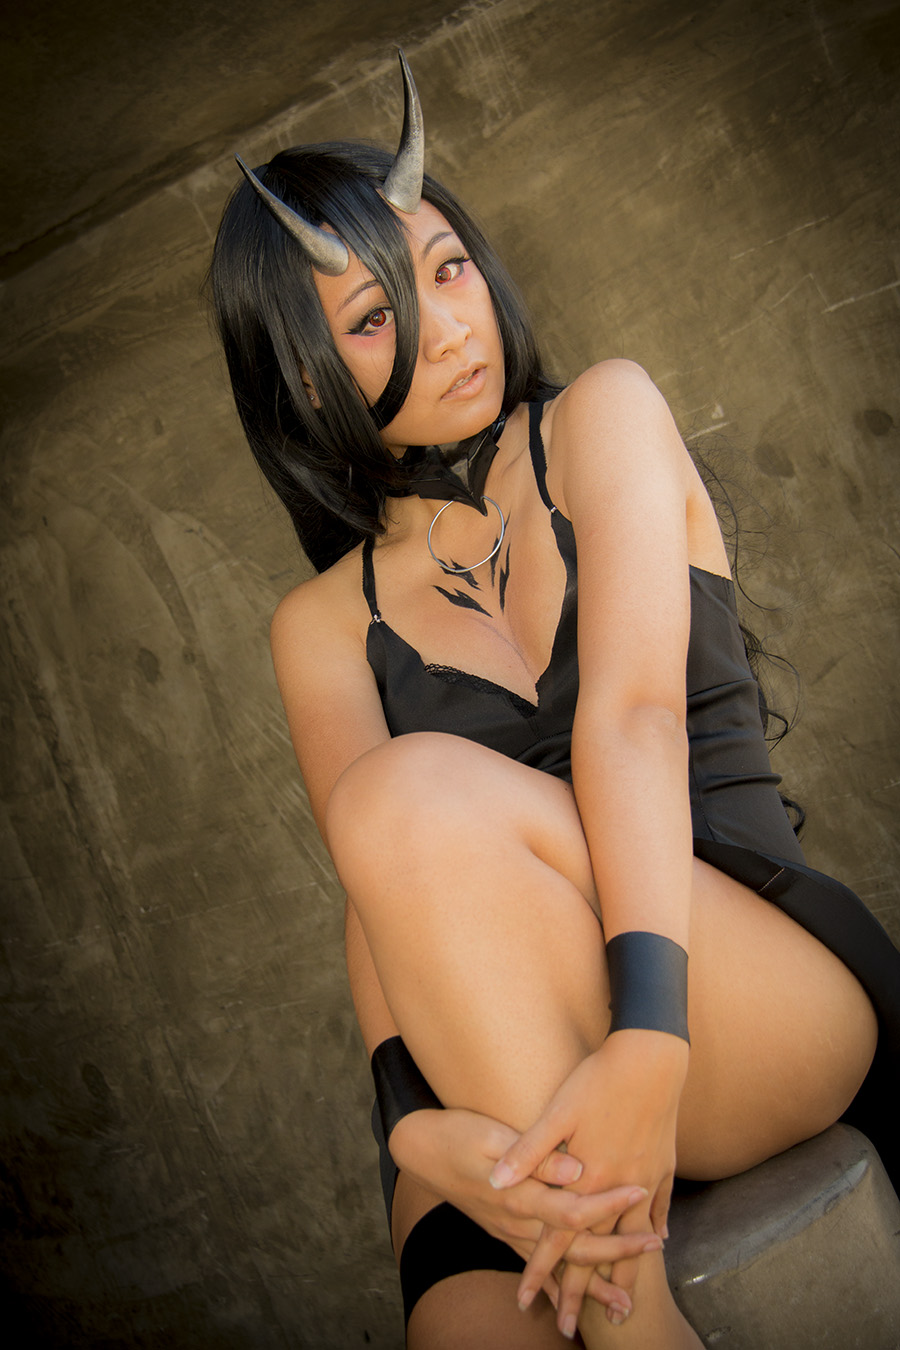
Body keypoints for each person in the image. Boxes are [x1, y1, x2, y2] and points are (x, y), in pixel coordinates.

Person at [210, 52, 900, 1349]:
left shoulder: (600, 416)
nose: (450, 326)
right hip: (497, 1053)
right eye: (374, 317)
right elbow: (378, 908)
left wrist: (650, 1042)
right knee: (467, 1329)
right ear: (304, 377)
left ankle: (639, 1331)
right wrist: (418, 1134)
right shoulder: (319, 627)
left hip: (725, 982)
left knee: (404, 792)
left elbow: (634, 718)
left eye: (450, 268)